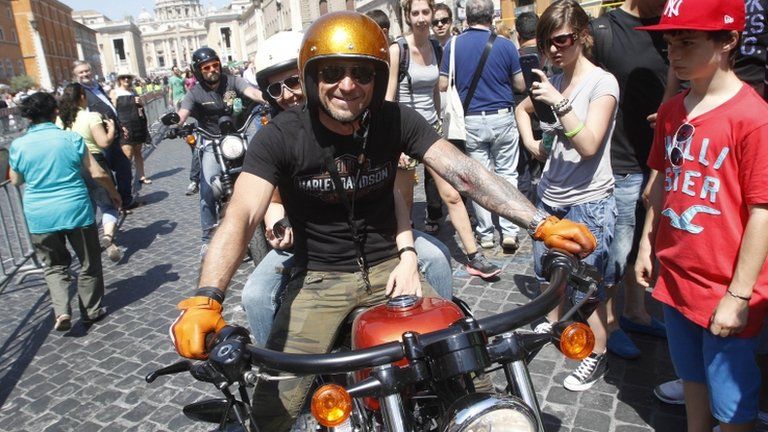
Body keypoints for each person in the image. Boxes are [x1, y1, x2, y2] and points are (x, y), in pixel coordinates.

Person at [169, 11, 596, 431]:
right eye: (333, 72)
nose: (348, 85)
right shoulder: (280, 136)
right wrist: (207, 298)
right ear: (312, 75)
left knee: (469, 380)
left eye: (362, 73)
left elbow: (466, 172)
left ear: (378, 77)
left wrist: (541, 223)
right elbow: (241, 214)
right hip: (319, 277)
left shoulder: (395, 120)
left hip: (393, 266)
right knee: (272, 409)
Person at [241, 30, 454, 345]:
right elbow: (259, 204)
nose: (288, 95)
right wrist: (276, 223)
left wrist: (407, 253)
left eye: (294, 82)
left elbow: (387, 188)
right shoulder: (276, 137)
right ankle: (271, 363)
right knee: (255, 294)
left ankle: (437, 336)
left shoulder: (362, 119)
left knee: (437, 258)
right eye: (276, 89)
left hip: (377, 239)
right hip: (312, 248)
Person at [634, 0, 768, 429]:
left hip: (724, 285)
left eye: (687, 42)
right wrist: (645, 244)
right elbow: (661, 185)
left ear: (728, 40)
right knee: (691, 381)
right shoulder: (673, 111)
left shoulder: (753, 118)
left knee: (732, 405)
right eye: (670, 42)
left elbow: (763, 211)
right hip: (676, 279)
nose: (674, 53)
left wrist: (739, 294)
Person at [515, 0, 619, 391]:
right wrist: (531, 143)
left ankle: (597, 356)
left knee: (588, 289)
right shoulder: (554, 79)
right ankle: (554, 319)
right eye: (547, 42)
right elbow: (521, 109)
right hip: (550, 197)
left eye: (562, 40)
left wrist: (558, 105)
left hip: (588, 202)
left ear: (583, 36)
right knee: (549, 274)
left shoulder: (602, 83)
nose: (554, 50)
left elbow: (590, 144)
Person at [386, 0, 500, 278]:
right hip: (402, 133)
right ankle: (405, 258)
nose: (422, 18)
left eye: (426, 12)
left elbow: (437, 89)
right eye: (416, 13)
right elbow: (388, 100)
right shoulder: (397, 50)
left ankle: (474, 256)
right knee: (405, 203)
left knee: (452, 193)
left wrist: (439, 120)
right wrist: (392, 144)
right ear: (408, 17)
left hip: (430, 133)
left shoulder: (437, 47)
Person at [588, 0, 669, 361]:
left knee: (645, 242)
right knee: (616, 249)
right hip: (621, 157)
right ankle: (609, 321)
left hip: (663, 158)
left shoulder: (671, 26)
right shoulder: (606, 29)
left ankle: (636, 311)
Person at [8, 92, 120, 331]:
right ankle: (91, 310)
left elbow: (16, 180)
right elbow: (97, 173)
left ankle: (61, 312)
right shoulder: (71, 139)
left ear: (29, 117)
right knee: (89, 262)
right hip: (75, 209)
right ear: (55, 112)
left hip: (40, 215)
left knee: (54, 265)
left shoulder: (18, 145)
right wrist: (113, 192)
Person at [438, 0, 526, 253]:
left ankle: (486, 234)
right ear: (491, 17)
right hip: (502, 117)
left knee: (479, 179)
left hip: (471, 120)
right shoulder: (506, 45)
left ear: (466, 17)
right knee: (508, 174)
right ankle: (510, 232)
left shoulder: (453, 45)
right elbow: (520, 85)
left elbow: (443, 85)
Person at [173, 47, 263, 248]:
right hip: (212, 140)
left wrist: (267, 98)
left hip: (239, 134)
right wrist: (175, 124)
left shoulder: (232, 80)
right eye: (206, 67)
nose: (212, 69)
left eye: (215, 65)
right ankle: (207, 239)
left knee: (266, 168)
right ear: (198, 70)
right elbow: (183, 112)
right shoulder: (194, 92)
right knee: (206, 188)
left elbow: (251, 91)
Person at [57, 83, 123, 263]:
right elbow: (103, 143)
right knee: (108, 205)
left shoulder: (60, 120)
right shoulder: (91, 116)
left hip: (71, 166)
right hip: (94, 162)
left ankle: (90, 244)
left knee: (88, 208)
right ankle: (108, 237)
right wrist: (111, 129)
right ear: (81, 97)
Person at [73, 61, 137, 210]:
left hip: (111, 133)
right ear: (75, 76)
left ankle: (123, 200)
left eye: (86, 71)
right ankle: (116, 203)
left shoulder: (96, 86)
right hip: (98, 136)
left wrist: (120, 126)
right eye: (81, 73)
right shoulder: (80, 92)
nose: (85, 74)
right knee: (106, 172)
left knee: (123, 166)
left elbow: (109, 108)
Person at [513, 12, 545, 204]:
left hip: (520, 123)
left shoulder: (514, 57)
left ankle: (527, 208)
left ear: (518, 35)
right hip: (548, 121)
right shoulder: (551, 56)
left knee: (522, 171)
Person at [111, 73, 151, 187]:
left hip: (136, 124)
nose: (126, 79)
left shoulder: (133, 91)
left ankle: (142, 176)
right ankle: (126, 180)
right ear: (119, 79)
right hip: (124, 126)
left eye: (129, 77)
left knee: (138, 152)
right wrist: (119, 126)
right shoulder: (115, 92)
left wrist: (140, 103)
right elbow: (113, 111)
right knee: (127, 154)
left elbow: (140, 108)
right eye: (124, 77)